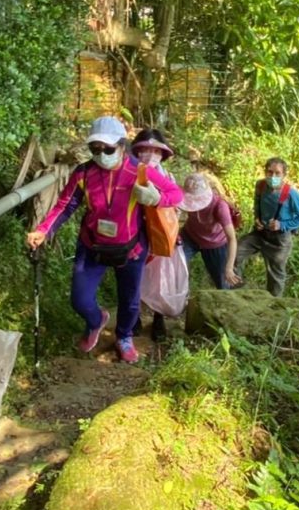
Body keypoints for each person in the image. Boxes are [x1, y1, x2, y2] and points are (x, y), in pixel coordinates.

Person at [25, 116, 182, 363]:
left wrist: (155, 198)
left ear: (122, 146)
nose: (101, 155)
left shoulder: (140, 171)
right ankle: (96, 321)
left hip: (131, 248)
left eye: (108, 149)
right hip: (92, 246)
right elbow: (66, 205)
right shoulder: (83, 173)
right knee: (80, 299)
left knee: (129, 301)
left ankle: (124, 336)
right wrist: (44, 230)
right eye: (94, 149)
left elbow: (176, 194)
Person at [232, 157, 299, 297]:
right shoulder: (261, 185)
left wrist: (283, 224)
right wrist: (257, 218)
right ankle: (235, 290)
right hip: (260, 233)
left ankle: (273, 305)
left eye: (277, 173)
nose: (273, 176)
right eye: (269, 172)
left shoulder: (290, 194)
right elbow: (257, 202)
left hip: (279, 240)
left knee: (275, 275)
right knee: (234, 253)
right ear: (265, 172)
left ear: (284, 175)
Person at [131, 127, 180, 340]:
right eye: (144, 150)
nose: (150, 155)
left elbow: (176, 203)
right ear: (135, 152)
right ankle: (135, 317)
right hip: (134, 233)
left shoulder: (167, 177)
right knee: (135, 276)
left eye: (156, 151)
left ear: (162, 155)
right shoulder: (129, 174)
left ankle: (158, 319)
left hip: (159, 236)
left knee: (160, 279)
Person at [179, 173, 242, 291]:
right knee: (176, 265)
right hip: (190, 236)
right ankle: (180, 297)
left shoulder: (219, 207)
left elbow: (232, 238)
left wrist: (229, 267)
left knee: (223, 284)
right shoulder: (186, 197)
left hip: (215, 243)